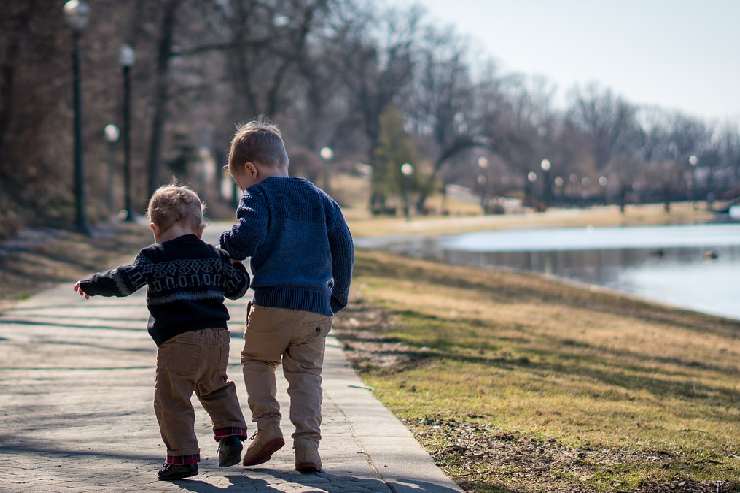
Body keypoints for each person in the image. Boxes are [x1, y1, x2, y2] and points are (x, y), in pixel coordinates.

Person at [74, 185, 249, 481]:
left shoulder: (153, 257)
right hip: (217, 338)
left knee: (172, 399)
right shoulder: (213, 255)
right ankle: (231, 434)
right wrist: (236, 266)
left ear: (154, 228)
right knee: (215, 386)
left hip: (179, 339)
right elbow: (237, 288)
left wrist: (93, 284)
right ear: (200, 228)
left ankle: (182, 457)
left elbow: (125, 281)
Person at [220, 120, 354, 473]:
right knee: (307, 374)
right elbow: (344, 245)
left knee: (258, 361)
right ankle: (308, 446)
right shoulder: (319, 197)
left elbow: (247, 237)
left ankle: (267, 427)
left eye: (240, 182)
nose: (242, 188)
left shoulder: (258, 195)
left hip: (272, 302)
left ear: (251, 169)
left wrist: (226, 244)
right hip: (315, 306)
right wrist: (338, 294)